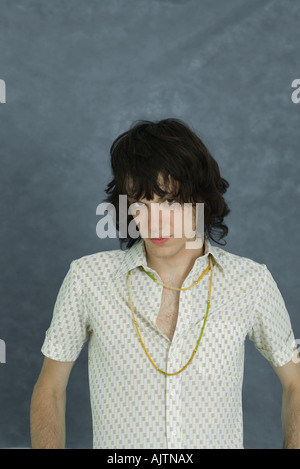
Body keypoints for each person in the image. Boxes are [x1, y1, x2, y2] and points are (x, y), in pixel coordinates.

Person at [30, 118, 300, 449]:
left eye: (170, 202)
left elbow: (295, 383)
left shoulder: (251, 281)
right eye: (140, 204)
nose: (154, 221)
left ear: (200, 200)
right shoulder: (88, 278)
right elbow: (50, 388)